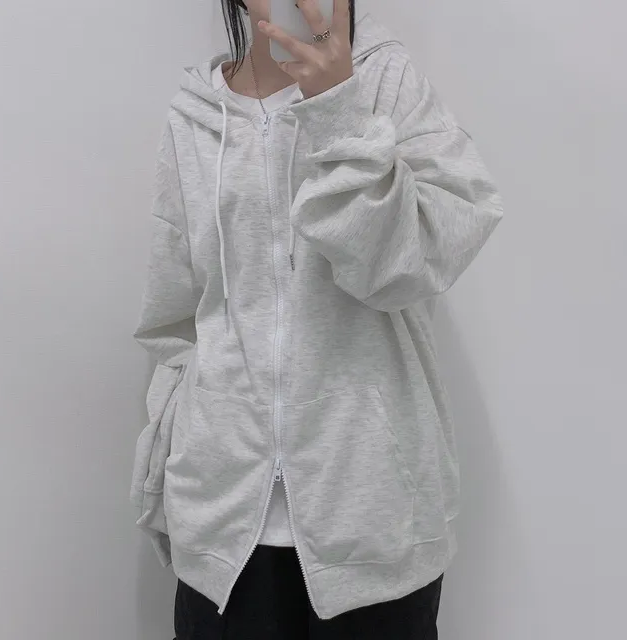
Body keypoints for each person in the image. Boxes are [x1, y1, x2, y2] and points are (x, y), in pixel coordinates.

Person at [129, 0, 503, 637]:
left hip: (375, 521)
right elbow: (174, 316)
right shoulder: (195, 114)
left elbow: (405, 266)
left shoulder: (389, 83)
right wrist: (181, 453)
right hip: (222, 524)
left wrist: (338, 109)